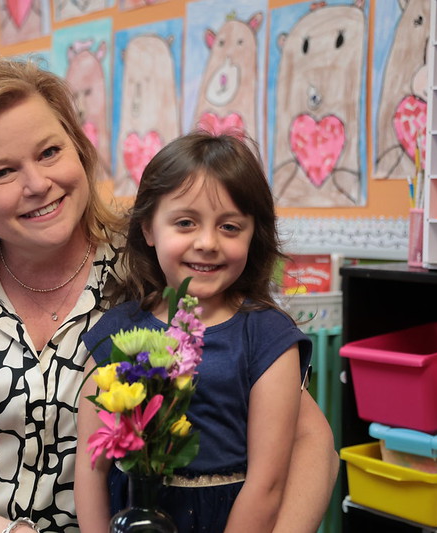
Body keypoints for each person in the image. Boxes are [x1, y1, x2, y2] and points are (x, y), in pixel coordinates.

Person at [0, 58, 336, 533]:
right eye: (1, 172)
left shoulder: (155, 263)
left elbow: (311, 446)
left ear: (80, 149)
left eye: (49, 152)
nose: (38, 184)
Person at [75, 130, 329, 533]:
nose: (208, 242)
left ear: (252, 235)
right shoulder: (117, 332)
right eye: (185, 222)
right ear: (148, 229)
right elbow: (90, 469)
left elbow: (268, 483)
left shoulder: (267, 337)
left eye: (230, 227)